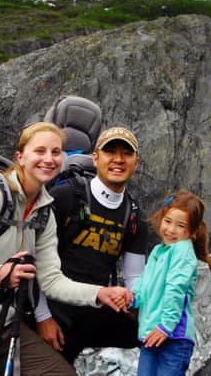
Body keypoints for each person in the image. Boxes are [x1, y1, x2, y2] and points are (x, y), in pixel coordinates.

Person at [0, 122, 133, 376]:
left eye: (55, 152)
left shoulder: (44, 213)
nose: (49, 159)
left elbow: (51, 281)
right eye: (39, 151)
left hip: (6, 328)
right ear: (20, 157)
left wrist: (100, 294)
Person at [35, 126, 149, 363]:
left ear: (136, 163)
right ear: (96, 158)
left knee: (150, 334)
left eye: (126, 154)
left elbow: (134, 277)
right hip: (51, 308)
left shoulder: (134, 216)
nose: (118, 159)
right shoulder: (66, 197)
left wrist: (136, 303)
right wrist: (43, 318)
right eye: (110, 152)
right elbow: (31, 260)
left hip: (92, 309)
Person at [131, 190, 211, 376]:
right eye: (168, 221)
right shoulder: (157, 251)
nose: (171, 230)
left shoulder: (182, 252)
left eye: (180, 226)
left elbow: (175, 290)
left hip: (173, 337)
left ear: (193, 232)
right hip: (152, 333)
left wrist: (166, 326)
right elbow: (145, 281)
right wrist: (133, 297)